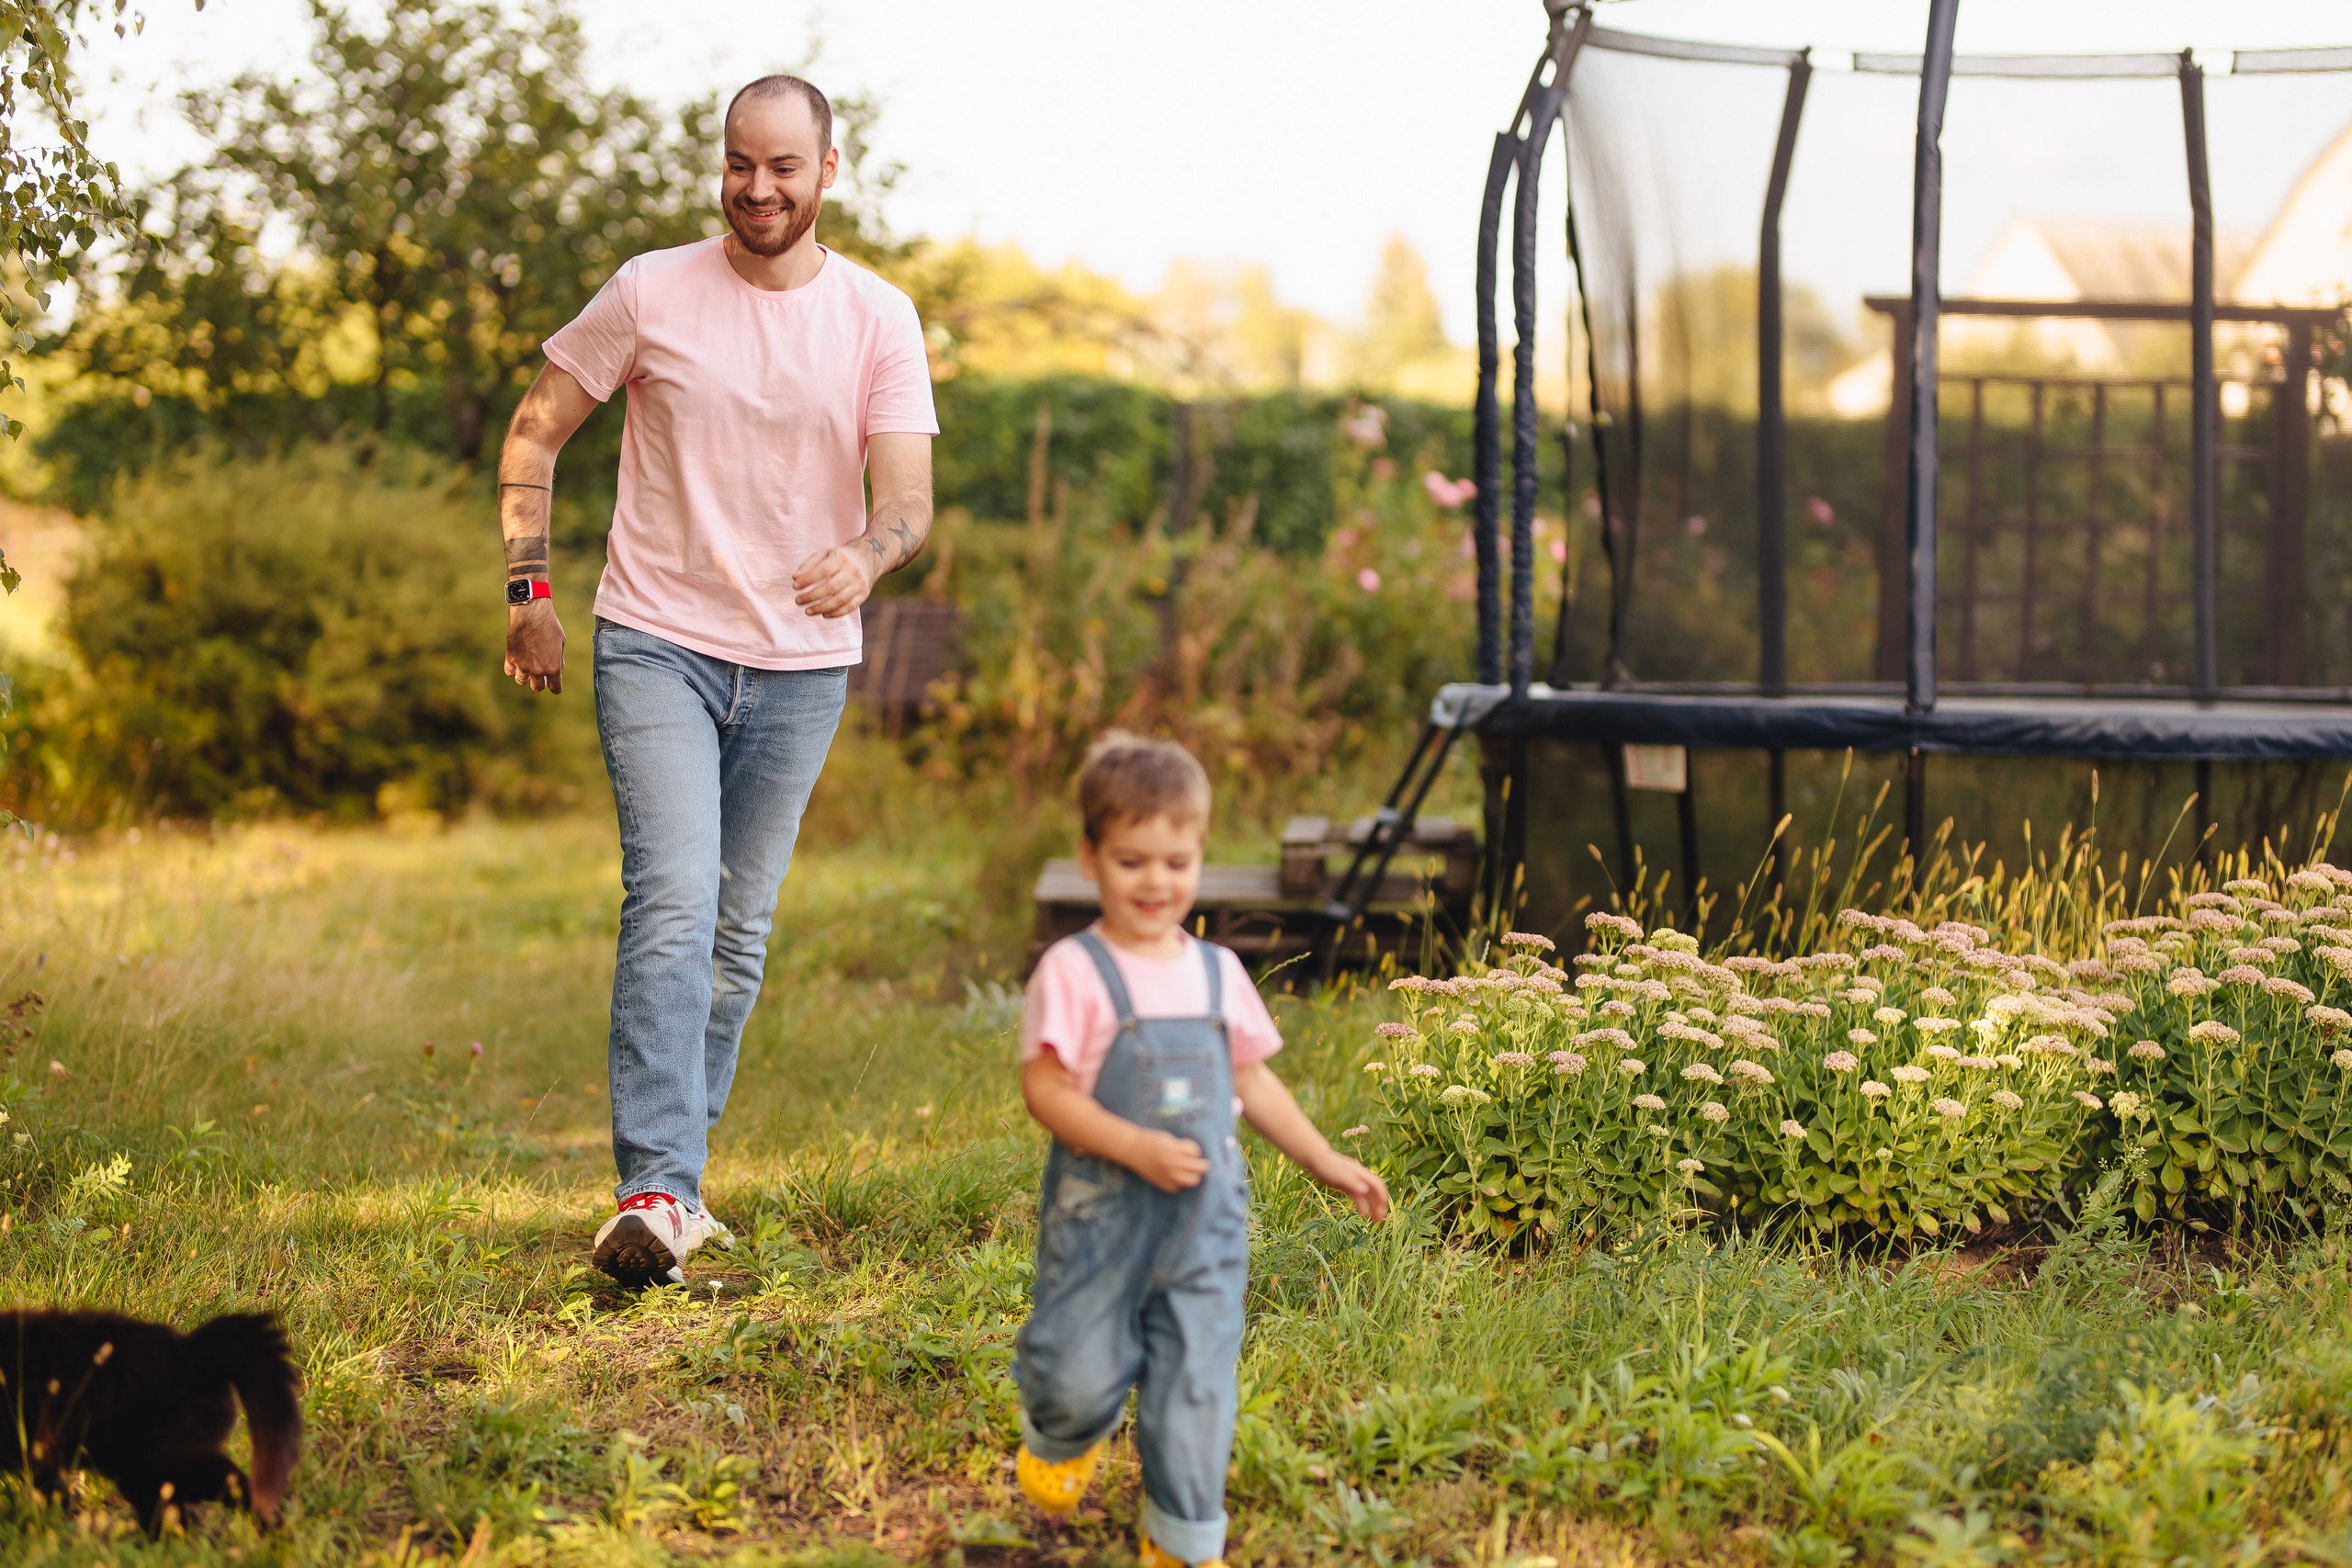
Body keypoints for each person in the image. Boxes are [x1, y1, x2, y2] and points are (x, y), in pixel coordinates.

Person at [493, 73, 938, 1286]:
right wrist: (529, 592)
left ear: (827, 171)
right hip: (658, 640)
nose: (758, 188)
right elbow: (535, 430)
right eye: (741, 163)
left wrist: (867, 554)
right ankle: (652, 1183)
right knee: (676, 901)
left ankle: (677, 1192)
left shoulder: (878, 316)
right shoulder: (651, 290)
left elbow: (908, 498)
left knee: (738, 934)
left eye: (784, 166)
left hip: (800, 669)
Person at [1012, 734, 1390, 1568]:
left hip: (1203, 1231)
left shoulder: (1218, 971)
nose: (1156, 881)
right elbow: (1046, 1090)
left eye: (1176, 862)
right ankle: (1064, 1430)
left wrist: (1324, 1159)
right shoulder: (1074, 969)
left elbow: (1252, 1080)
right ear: (1090, 857)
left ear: (1200, 856)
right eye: (1132, 860)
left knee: (1196, 1386)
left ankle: (1181, 1537)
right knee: (1078, 1368)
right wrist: (1135, 1146)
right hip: (1102, 1220)